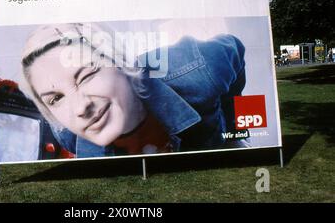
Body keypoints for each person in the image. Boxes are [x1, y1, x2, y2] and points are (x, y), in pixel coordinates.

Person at [19, 23, 247, 158]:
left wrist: (233, 132)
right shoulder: (69, 135)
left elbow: (234, 48)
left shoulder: (198, 70)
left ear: (120, 61)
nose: (80, 108)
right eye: (56, 98)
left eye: (87, 75)